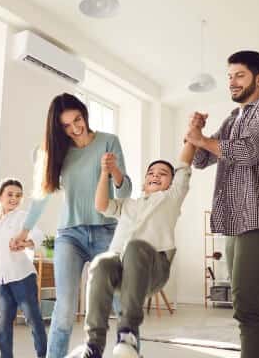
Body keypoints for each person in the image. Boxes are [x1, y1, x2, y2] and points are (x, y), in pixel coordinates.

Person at [186, 50, 259, 358]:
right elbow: (202, 159)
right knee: (250, 304)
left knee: (245, 305)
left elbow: (248, 152)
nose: (231, 82)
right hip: (235, 219)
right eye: (229, 76)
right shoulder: (234, 118)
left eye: (239, 75)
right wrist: (196, 134)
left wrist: (202, 140)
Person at [12, 92, 132, 358]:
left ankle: (132, 353)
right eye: (66, 126)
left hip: (106, 231)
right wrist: (23, 231)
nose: (75, 128)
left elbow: (124, 194)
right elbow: (41, 197)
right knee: (64, 308)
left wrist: (114, 172)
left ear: (84, 114)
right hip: (70, 235)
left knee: (121, 302)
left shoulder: (108, 142)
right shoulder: (55, 152)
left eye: (77, 119)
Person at [68, 136, 197, 358]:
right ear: (144, 182)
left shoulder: (172, 197)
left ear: (171, 182)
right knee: (101, 262)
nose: (156, 175)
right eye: (151, 173)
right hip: (121, 268)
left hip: (153, 268)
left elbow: (184, 166)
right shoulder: (128, 205)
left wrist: (193, 138)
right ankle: (93, 345)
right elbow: (101, 205)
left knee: (136, 246)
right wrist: (104, 173)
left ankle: (128, 334)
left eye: (163, 174)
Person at [0, 178, 48, 358]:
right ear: (0, 197)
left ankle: (44, 355)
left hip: (23, 277)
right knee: (4, 322)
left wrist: (27, 242)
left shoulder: (22, 216)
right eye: (10, 194)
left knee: (34, 320)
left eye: (18, 195)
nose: (14, 198)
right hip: (4, 281)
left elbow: (38, 234)